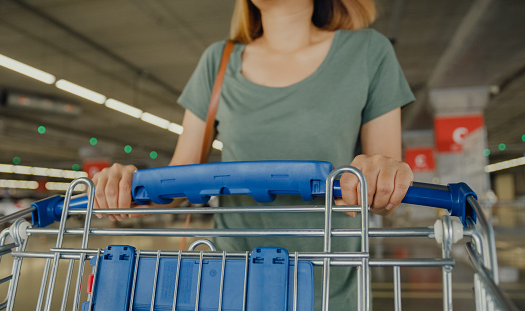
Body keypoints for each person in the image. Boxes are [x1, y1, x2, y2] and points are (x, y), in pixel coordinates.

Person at [92, 0, 415, 309]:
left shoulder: (368, 53)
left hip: (330, 293)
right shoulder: (218, 61)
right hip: (231, 288)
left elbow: (382, 185)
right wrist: (128, 186)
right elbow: (177, 183)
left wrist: (382, 177)